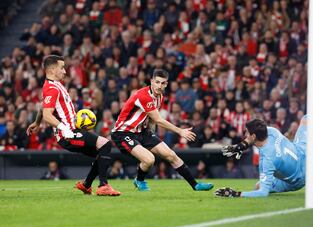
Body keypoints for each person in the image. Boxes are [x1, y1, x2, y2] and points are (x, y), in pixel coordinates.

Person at [215, 73, 313, 198]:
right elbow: (255, 135)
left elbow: (262, 193)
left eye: (247, 133)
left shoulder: (266, 160)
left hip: (299, 179)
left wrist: (235, 193)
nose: (245, 135)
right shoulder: (272, 131)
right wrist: (240, 147)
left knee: (259, 187)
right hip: (303, 152)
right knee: (308, 119)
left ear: (253, 136)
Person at [26, 55, 121, 196]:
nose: (65, 71)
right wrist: (64, 129)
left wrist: (37, 122)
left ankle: (86, 185)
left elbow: (43, 108)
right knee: (105, 145)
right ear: (52, 69)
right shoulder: (52, 88)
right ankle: (103, 186)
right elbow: (47, 114)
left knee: (102, 153)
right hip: (68, 134)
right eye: (62, 67)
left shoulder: (53, 85)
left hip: (72, 131)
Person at [111, 69, 213, 191]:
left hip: (142, 131)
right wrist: (180, 131)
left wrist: (151, 133)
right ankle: (139, 180)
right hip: (123, 133)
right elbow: (159, 120)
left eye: (163, 83)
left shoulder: (159, 96)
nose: (159, 86)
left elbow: (152, 120)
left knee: (171, 155)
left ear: (166, 84)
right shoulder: (143, 96)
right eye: (157, 82)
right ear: (151, 81)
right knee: (149, 160)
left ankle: (195, 185)